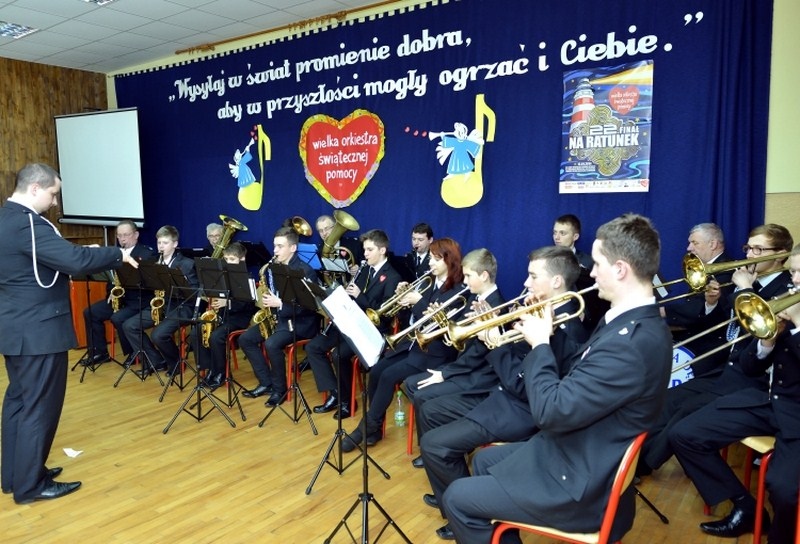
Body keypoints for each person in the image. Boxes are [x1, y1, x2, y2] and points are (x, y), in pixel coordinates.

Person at [441, 213, 673, 544]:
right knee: (484, 460)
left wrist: (540, 344)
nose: (591, 273)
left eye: (597, 264)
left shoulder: (631, 343)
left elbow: (550, 412)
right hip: (579, 450)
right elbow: (580, 371)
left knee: (457, 498)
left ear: (621, 269)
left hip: (583, 485)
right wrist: (549, 331)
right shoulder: (628, 322)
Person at [418, 246, 589, 540]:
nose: (525, 283)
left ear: (557, 282)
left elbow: (523, 386)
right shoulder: (541, 311)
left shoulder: (566, 328)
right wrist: (492, 327)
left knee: (434, 445)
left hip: (517, 411)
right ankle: (460, 503)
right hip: (499, 394)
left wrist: (495, 344)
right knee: (431, 411)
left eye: (533, 276)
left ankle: (467, 511)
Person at [0, 163, 140, 505]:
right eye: (52, 194)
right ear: (35, 188)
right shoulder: (28, 225)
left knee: (19, 402)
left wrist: (81, 254)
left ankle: (16, 475)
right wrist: (117, 254)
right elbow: (73, 262)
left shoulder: (6, 219)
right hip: (39, 331)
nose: (54, 202)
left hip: (17, 328)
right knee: (39, 408)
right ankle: (31, 486)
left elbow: (45, 261)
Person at [670, 243, 800, 542]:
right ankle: (745, 507)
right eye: (793, 272)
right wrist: (767, 341)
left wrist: (797, 326)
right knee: (685, 435)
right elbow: (751, 367)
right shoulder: (788, 302)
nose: (794, 280)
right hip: (770, 401)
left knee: (782, 489)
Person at [639, 223, 793, 475]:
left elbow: (758, 332)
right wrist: (712, 302)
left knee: (687, 410)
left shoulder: (785, 290)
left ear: (781, 254)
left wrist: (744, 289)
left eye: (758, 249)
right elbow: (724, 322)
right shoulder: (748, 279)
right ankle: (633, 460)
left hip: (753, 378)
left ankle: (641, 467)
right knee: (669, 398)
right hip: (728, 366)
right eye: (748, 248)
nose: (750, 255)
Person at [340, 237, 465, 451]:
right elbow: (412, 319)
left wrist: (418, 302)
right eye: (430, 258)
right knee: (376, 370)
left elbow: (438, 324)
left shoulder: (457, 291)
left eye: (436, 259)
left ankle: (365, 428)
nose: (430, 263)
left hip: (434, 352)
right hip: (412, 344)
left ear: (450, 261)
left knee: (388, 376)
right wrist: (404, 300)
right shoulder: (429, 283)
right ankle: (375, 428)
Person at [403, 248, 505, 467]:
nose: (464, 281)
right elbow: (460, 337)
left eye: (468, 276)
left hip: (477, 377)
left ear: (484, 275)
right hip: (462, 367)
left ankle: (441, 448)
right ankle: (435, 443)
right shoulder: (474, 298)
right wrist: (442, 323)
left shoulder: (496, 306)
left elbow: (478, 355)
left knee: (421, 395)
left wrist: (445, 373)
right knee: (411, 384)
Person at [307, 229, 401, 419]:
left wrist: (360, 296)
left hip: (371, 330)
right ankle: (335, 392)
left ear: (382, 250)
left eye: (369, 250)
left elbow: (384, 314)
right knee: (313, 347)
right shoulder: (365, 269)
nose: (365, 254)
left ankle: (347, 402)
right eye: (364, 250)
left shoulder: (393, 277)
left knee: (338, 355)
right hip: (351, 321)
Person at [239, 227, 320, 406]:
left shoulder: (305, 271)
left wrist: (280, 304)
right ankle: (266, 382)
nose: (275, 250)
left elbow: (308, 307)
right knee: (246, 339)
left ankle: (280, 390)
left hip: (300, 323)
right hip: (279, 319)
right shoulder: (274, 267)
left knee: (271, 344)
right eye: (274, 246)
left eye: (280, 246)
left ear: (293, 248)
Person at [121, 225, 199, 376]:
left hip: (182, 306)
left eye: (165, 243)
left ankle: (176, 363)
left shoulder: (187, 264)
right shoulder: (153, 262)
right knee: (129, 326)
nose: (161, 246)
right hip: (162, 304)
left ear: (175, 244)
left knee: (158, 335)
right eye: (159, 243)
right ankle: (155, 361)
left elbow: (194, 293)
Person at [660, 223, 734, 378]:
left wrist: (663, 311)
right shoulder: (703, 267)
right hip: (693, 334)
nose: (689, 248)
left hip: (709, 343)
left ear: (712, 244)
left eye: (695, 243)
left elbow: (698, 309)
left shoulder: (726, 270)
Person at [81, 220, 154, 366]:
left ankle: (134, 352)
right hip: (119, 299)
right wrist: (112, 294)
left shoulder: (147, 254)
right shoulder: (114, 253)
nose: (122, 239)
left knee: (118, 318)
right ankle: (99, 353)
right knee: (90, 312)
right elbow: (110, 278)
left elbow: (149, 282)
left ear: (136, 235)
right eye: (119, 235)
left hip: (137, 301)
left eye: (126, 235)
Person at [190, 242, 255, 390]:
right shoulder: (220, 276)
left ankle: (221, 373)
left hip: (239, 318)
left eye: (232, 259)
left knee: (216, 337)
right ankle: (210, 369)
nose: (228, 262)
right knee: (196, 332)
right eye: (226, 259)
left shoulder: (247, 278)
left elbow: (247, 305)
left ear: (242, 259)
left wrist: (227, 303)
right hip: (222, 316)